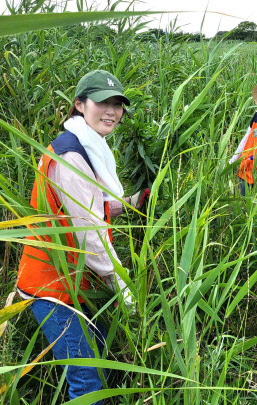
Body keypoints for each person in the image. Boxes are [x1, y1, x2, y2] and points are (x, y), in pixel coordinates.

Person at [17, 70, 147, 403]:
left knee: (97, 358)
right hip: (53, 287)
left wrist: (137, 201)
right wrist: (124, 286)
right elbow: (90, 235)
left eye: (117, 104)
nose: (112, 111)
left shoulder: (89, 147)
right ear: (79, 104)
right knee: (87, 378)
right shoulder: (72, 155)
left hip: (74, 282)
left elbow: (93, 206)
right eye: (102, 102)